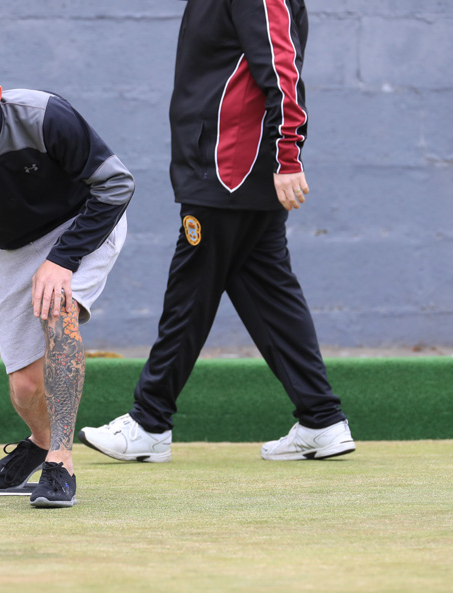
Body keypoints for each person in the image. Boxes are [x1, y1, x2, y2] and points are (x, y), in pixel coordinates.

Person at [78, 0, 355, 462]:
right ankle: (321, 420)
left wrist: (288, 156)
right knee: (269, 294)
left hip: (229, 171)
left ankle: (148, 422)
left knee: (190, 294)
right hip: (227, 170)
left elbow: (281, 65)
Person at [0, 37, 132, 507]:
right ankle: (38, 441)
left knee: (58, 308)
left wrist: (64, 260)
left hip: (85, 225)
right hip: (17, 248)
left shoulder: (46, 116)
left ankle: (61, 460)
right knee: (26, 386)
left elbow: (116, 185)